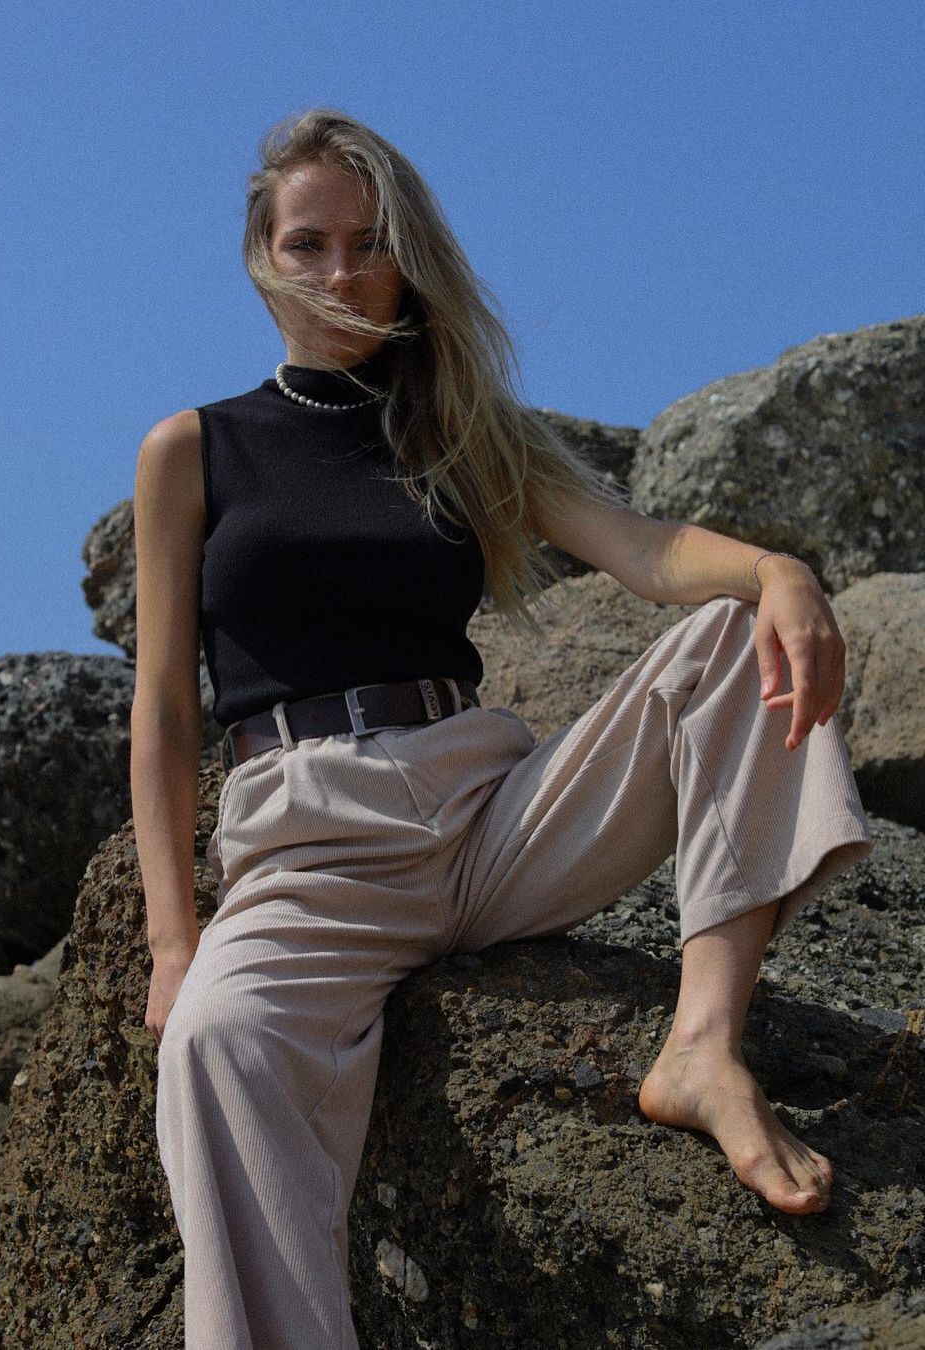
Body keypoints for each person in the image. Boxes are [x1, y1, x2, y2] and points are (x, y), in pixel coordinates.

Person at [131, 108, 873, 1350]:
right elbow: (161, 712)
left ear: (408, 261)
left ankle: (702, 1049)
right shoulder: (193, 450)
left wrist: (777, 571)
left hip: (486, 821)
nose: (340, 272)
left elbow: (645, 553)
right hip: (313, 861)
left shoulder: (463, 430)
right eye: (308, 244)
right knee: (211, 1047)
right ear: (262, 260)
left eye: (370, 243)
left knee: (732, 641)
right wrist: (171, 944)